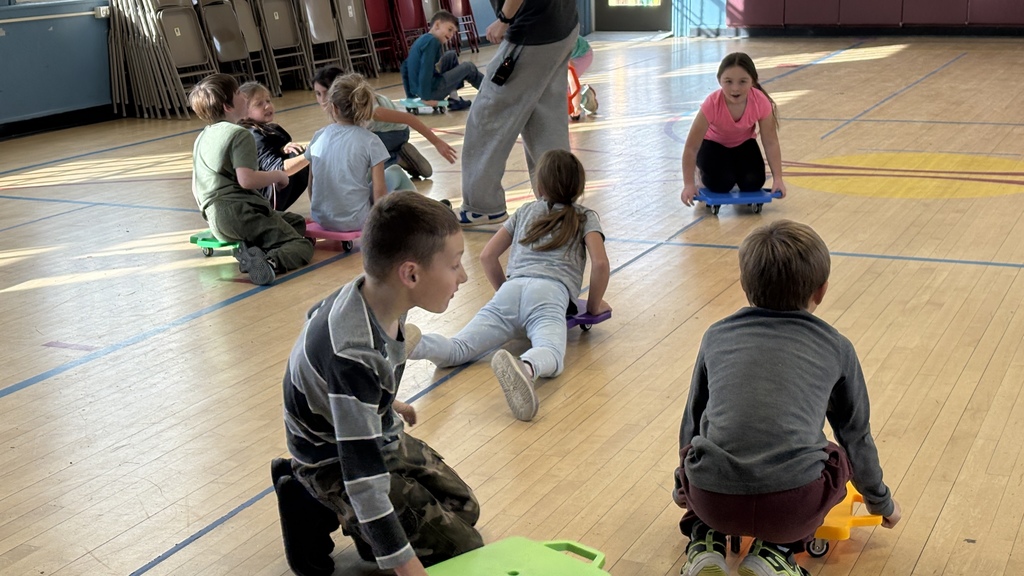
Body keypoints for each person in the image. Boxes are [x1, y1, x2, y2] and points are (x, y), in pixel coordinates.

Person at [673, 220, 901, 576]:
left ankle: (704, 542)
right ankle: (775, 552)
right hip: (789, 506)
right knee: (837, 456)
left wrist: (684, 489)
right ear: (821, 290)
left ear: (745, 285)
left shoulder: (715, 336)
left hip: (712, 499)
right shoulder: (836, 347)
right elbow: (856, 436)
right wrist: (880, 502)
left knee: (707, 439)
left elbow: (692, 422)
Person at [271, 191, 483, 576]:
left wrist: (375, 403)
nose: (463, 277)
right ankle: (305, 490)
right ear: (411, 274)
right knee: (463, 548)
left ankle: (373, 533)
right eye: (455, 266)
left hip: (369, 430)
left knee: (465, 510)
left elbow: (315, 319)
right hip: (332, 457)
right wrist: (407, 568)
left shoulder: (377, 293)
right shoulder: (353, 356)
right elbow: (364, 482)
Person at [409, 150, 610, 422]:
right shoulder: (585, 217)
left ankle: (414, 343)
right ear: (579, 188)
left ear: (539, 187)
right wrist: (595, 306)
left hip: (511, 290)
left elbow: (487, 256)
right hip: (550, 295)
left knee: (459, 348)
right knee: (551, 354)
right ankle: (525, 368)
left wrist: (505, 294)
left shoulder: (526, 210)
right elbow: (599, 264)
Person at [458, 0, 579, 226]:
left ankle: (483, 206)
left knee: (487, 118)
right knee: (545, 120)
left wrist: (504, 19)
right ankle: (557, 201)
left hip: (532, 31)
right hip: (561, 26)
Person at [188, 73, 313, 286]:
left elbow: (196, 185)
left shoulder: (203, 136)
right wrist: (278, 176)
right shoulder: (239, 134)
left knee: (296, 222)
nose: (243, 97)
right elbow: (246, 180)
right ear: (228, 106)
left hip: (217, 219)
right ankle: (269, 262)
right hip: (240, 214)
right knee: (302, 245)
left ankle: (251, 251)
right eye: (237, 93)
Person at [305, 73, 418, 233]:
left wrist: (320, 212)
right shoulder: (371, 140)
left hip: (321, 217)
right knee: (395, 171)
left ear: (334, 107)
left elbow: (312, 183)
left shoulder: (318, 135)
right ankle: (422, 215)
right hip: (355, 220)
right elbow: (379, 192)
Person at [312, 66, 457, 180]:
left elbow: (409, 119)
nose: (322, 99)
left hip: (396, 133)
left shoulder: (369, 109)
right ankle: (396, 155)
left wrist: (437, 142)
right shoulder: (345, 104)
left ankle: (397, 159)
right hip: (379, 133)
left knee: (361, 159)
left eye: (326, 92)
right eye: (318, 94)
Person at [681, 52, 786, 207]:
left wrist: (778, 179)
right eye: (728, 81)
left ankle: (734, 170)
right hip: (713, 144)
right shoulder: (711, 104)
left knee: (753, 183)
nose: (735, 88)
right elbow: (691, 147)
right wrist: (689, 184)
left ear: (752, 81)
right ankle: (701, 172)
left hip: (743, 143)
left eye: (742, 81)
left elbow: (770, 142)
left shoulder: (760, 102)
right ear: (719, 81)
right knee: (720, 184)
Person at [237, 81, 310, 211]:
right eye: (259, 104)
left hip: (264, 192)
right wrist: (311, 153)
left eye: (268, 101)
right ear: (244, 111)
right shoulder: (252, 135)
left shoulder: (267, 129)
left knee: (297, 153)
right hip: (261, 200)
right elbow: (278, 168)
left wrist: (283, 149)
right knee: (304, 157)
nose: (267, 106)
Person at [400, 10, 483, 111]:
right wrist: (426, 98)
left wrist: (410, 96)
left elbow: (404, 67)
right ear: (437, 25)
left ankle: (454, 99)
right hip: (431, 91)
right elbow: (426, 70)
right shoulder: (432, 42)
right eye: (449, 29)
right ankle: (493, 93)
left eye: (453, 32)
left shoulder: (422, 39)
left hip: (420, 90)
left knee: (450, 55)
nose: (451, 35)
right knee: (469, 67)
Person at [568, 35, 596, 121]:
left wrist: (576, 105)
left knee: (562, 88)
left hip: (583, 56)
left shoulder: (560, 45)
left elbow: (572, 78)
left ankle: (585, 98)